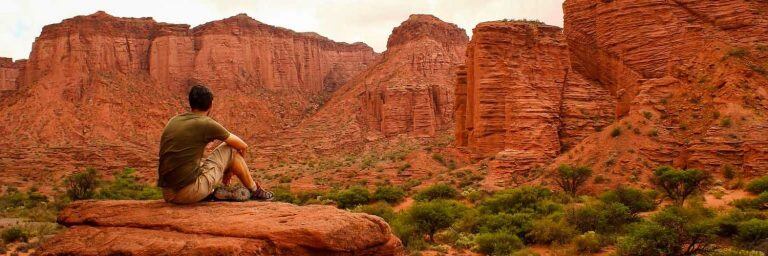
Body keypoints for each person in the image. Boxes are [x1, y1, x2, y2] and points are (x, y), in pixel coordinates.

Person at [157, 84, 272, 204]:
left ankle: (209, 192)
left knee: (200, 162)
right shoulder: (205, 123)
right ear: (210, 105)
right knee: (230, 148)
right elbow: (243, 146)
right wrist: (229, 170)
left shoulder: (173, 120)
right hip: (187, 193)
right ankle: (255, 190)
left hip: (168, 193)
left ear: (190, 102)